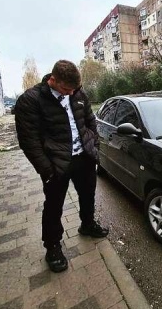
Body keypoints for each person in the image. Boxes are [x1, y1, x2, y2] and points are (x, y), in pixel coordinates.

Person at [15, 59, 109, 272]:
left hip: (84, 157)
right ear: (53, 80)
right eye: (66, 89)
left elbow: (90, 121)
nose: (70, 93)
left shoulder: (77, 93)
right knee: (54, 206)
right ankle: (53, 246)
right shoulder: (31, 100)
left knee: (88, 195)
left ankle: (87, 224)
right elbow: (29, 141)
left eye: (73, 89)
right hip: (56, 164)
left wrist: (93, 144)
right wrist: (46, 170)